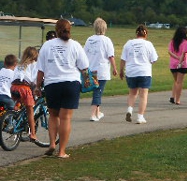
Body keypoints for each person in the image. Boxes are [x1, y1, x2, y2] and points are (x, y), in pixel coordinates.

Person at [36, 18, 89, 158]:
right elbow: (84, 67)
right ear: (69, 30)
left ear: (56, 29)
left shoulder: (47, 46)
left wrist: (37, 86)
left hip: (52, 84)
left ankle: (52, 143)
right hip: (71, 83)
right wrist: (89, 81)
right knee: (65, 118)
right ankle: (62, 151)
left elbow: (40, 70)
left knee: (53, 115)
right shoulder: (75, 45)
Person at [119, 24, 159, 124]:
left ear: (136, 33)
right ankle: (140, 117)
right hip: (144, 72)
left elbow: (123, 59)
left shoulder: (129, 43)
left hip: (131, 72)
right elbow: (154, 59)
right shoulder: (148, 44)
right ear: (146, 34)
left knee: (132, 93)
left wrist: (121, 70)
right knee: (143, 95)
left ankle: (129, 110)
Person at [84, 17, 117, 121]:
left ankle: (98, 113)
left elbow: (84, 54)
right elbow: (110, 56)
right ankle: (93, 114)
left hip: (90, 69)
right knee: (98, 91)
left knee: (97, 91)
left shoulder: (89, 39)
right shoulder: (106, 40)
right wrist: (114, 68)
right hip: (101, 70)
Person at [10, 47, 39, 142]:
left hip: (14, 87)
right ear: (35, 56)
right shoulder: (33, 64)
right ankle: (33, 134)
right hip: (24, 88)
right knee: (30, 110)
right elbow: (34, 79)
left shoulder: (19, 65)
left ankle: (12, 120)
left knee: (18, 104)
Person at [168, 26, 187, 105]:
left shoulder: (172, 41)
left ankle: (173, 96)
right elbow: (185, 53)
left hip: (173, 64)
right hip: (182, 64)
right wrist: (179, 58)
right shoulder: (185, 42)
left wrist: (175, 57)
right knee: (179, 82)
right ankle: (177, 99)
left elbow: (169, 52)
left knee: (176, 81)